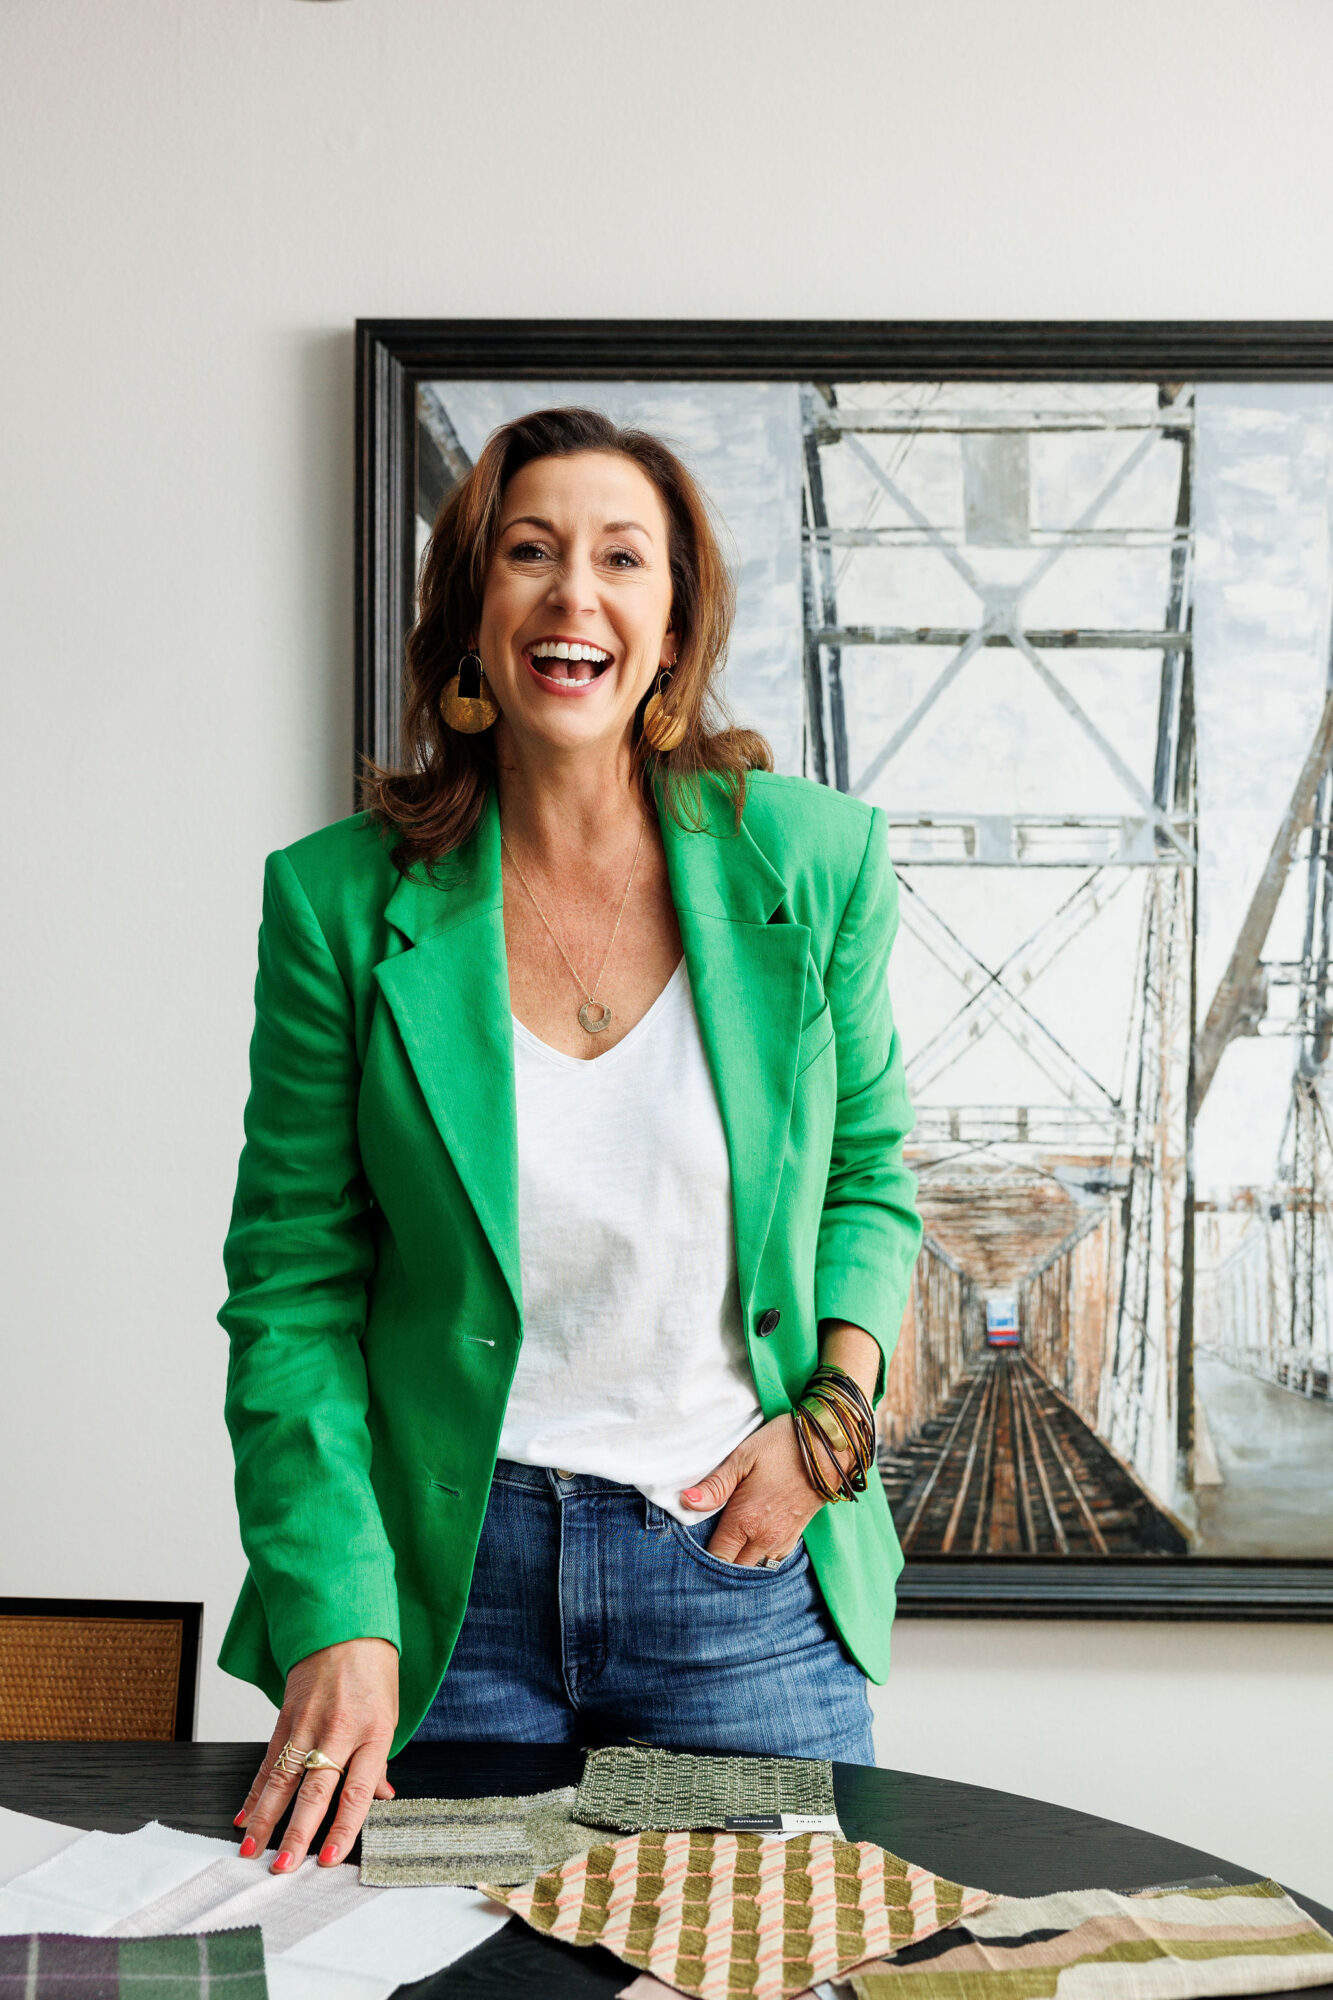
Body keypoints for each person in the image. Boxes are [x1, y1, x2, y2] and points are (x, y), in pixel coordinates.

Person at [219, 406, 923, 1877]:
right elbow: (290, 1291)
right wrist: (336, 1608)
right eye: (529, 554)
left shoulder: (813, 860)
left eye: (622, 559)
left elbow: (868, 1176)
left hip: (734, 1596)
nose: (573, 595)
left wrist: (828, 1429)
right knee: (451, 1972)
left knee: (753, 1971)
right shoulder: (339, 904)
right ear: (475, 614)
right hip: (444, 1604)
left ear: (671, 627)